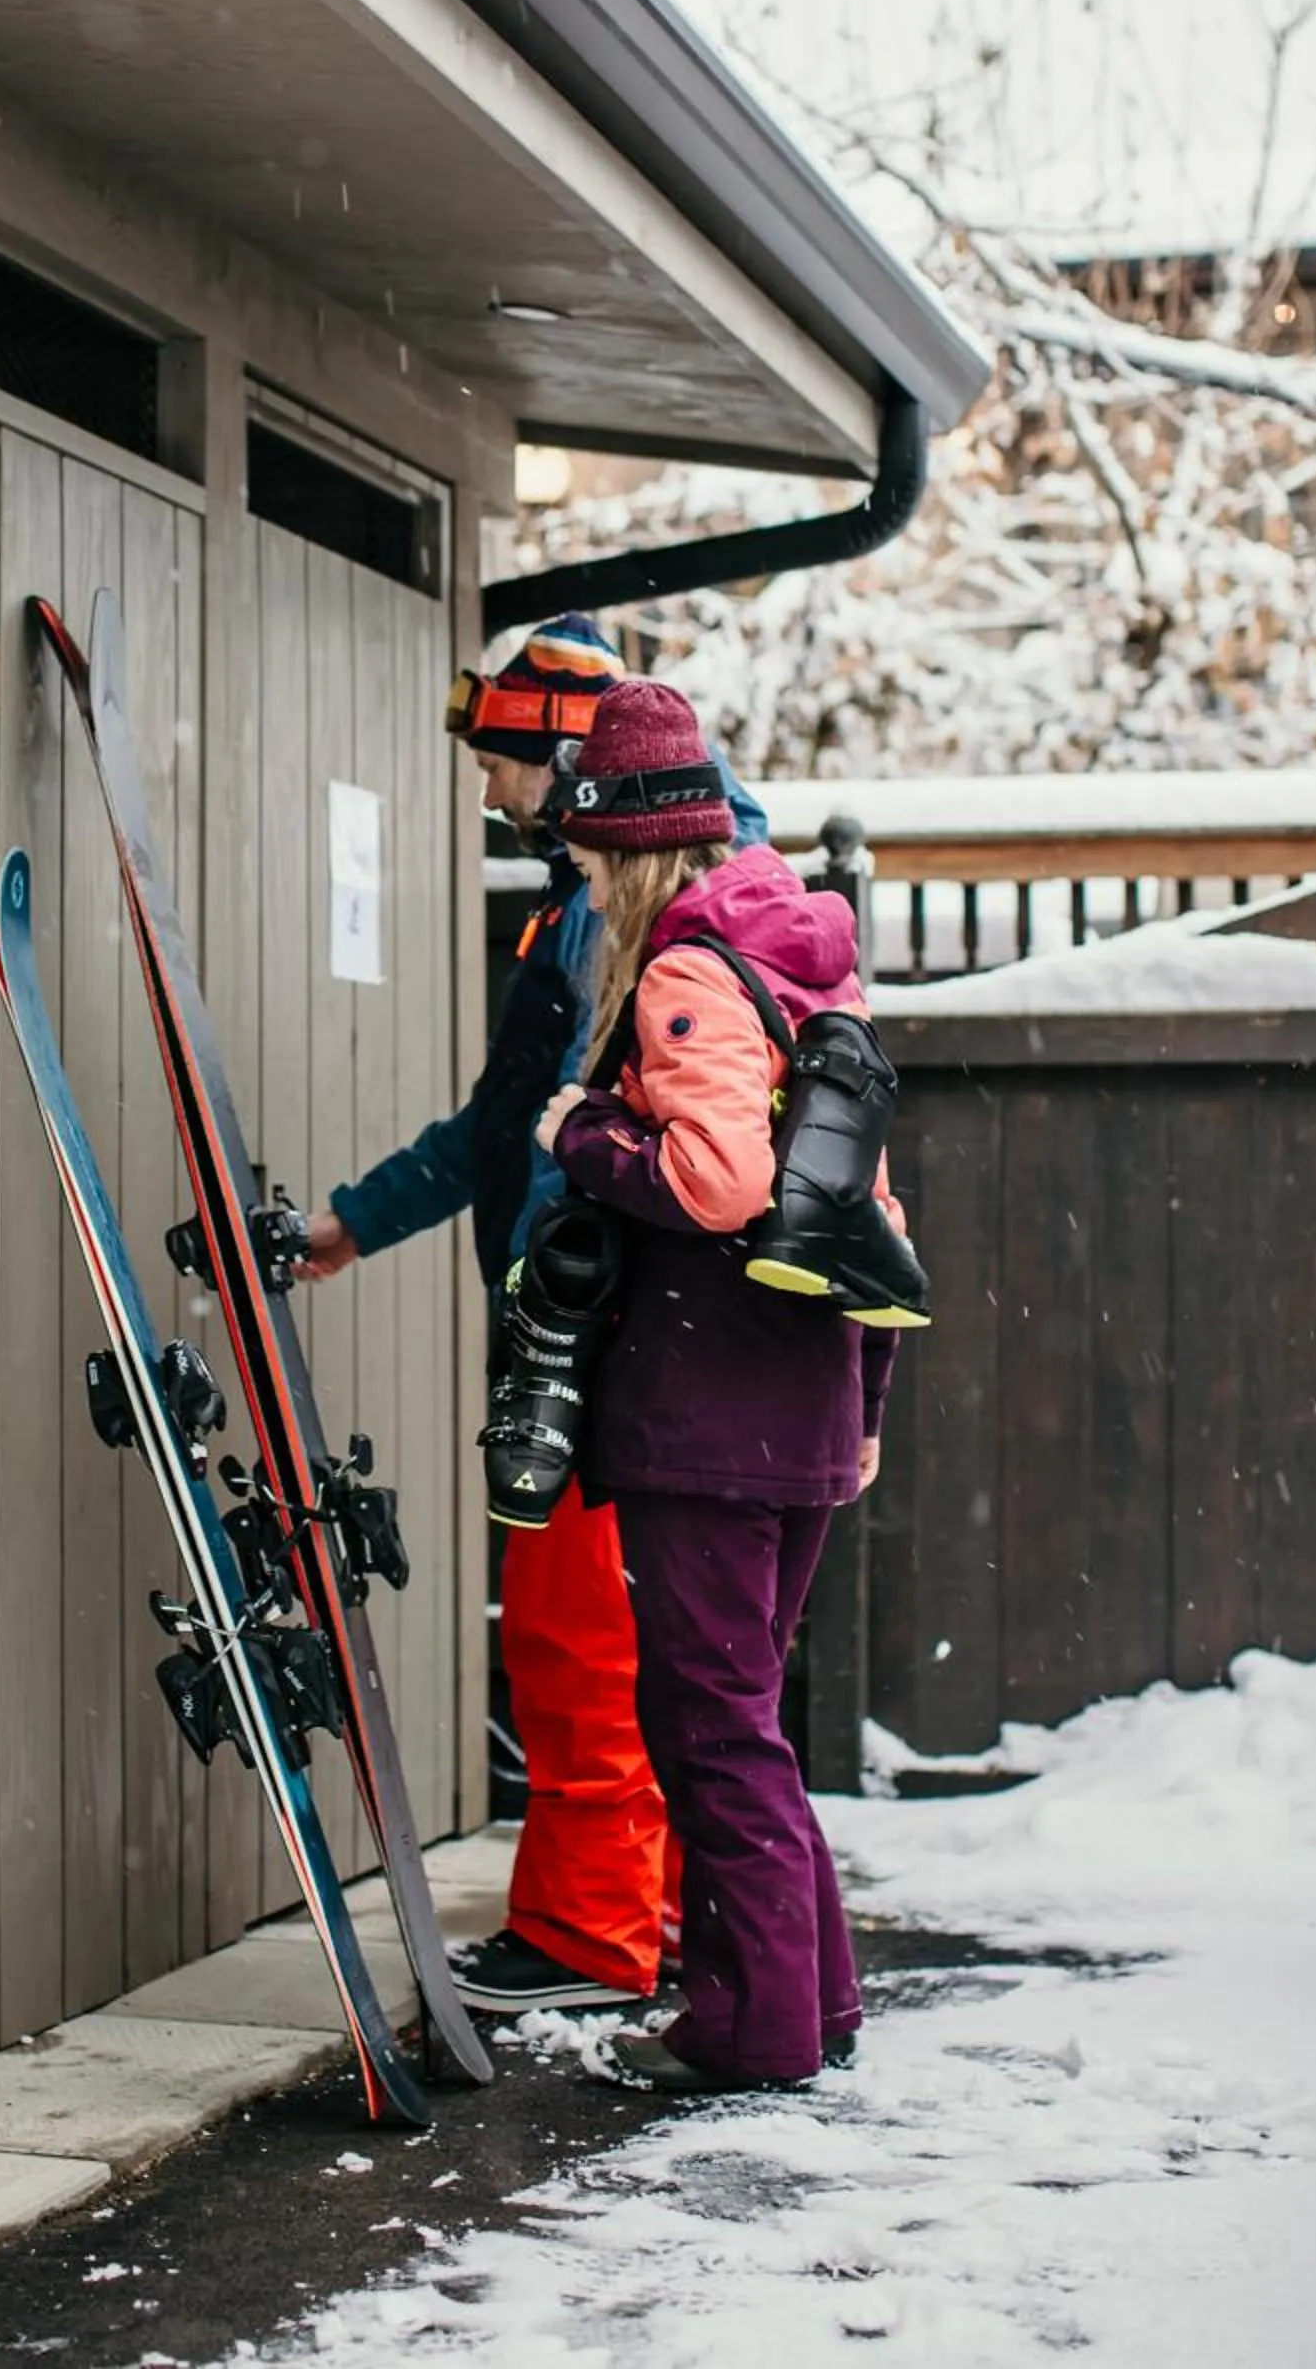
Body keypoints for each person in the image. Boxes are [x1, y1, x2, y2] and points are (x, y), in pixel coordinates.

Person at [299, 615, 770, 2013]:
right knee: (654, 1648)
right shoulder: (599, 907)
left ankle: (589, 1930)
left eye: (501, 759)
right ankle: (677, 1919)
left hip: (602, 1331)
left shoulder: (651, 913)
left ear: (571, 748)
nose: (491, 793)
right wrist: (349, 1225)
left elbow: (593, 1137)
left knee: (583, 1640)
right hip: (609, 1327)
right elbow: (500, 1128)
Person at [534, 676, 901, 2092]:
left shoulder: (690, 971)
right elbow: (868, 1199)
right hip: (804, 1392)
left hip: (710, 1404)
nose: (586, 888)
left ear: (632, 855)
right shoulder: (814, 966)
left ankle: (751, 2031)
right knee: (746, 1714)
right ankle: (815, 2002)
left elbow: (719, 1180)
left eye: (587, 863)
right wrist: (862, 1406)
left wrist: (585, 1137)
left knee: (709, 1723)